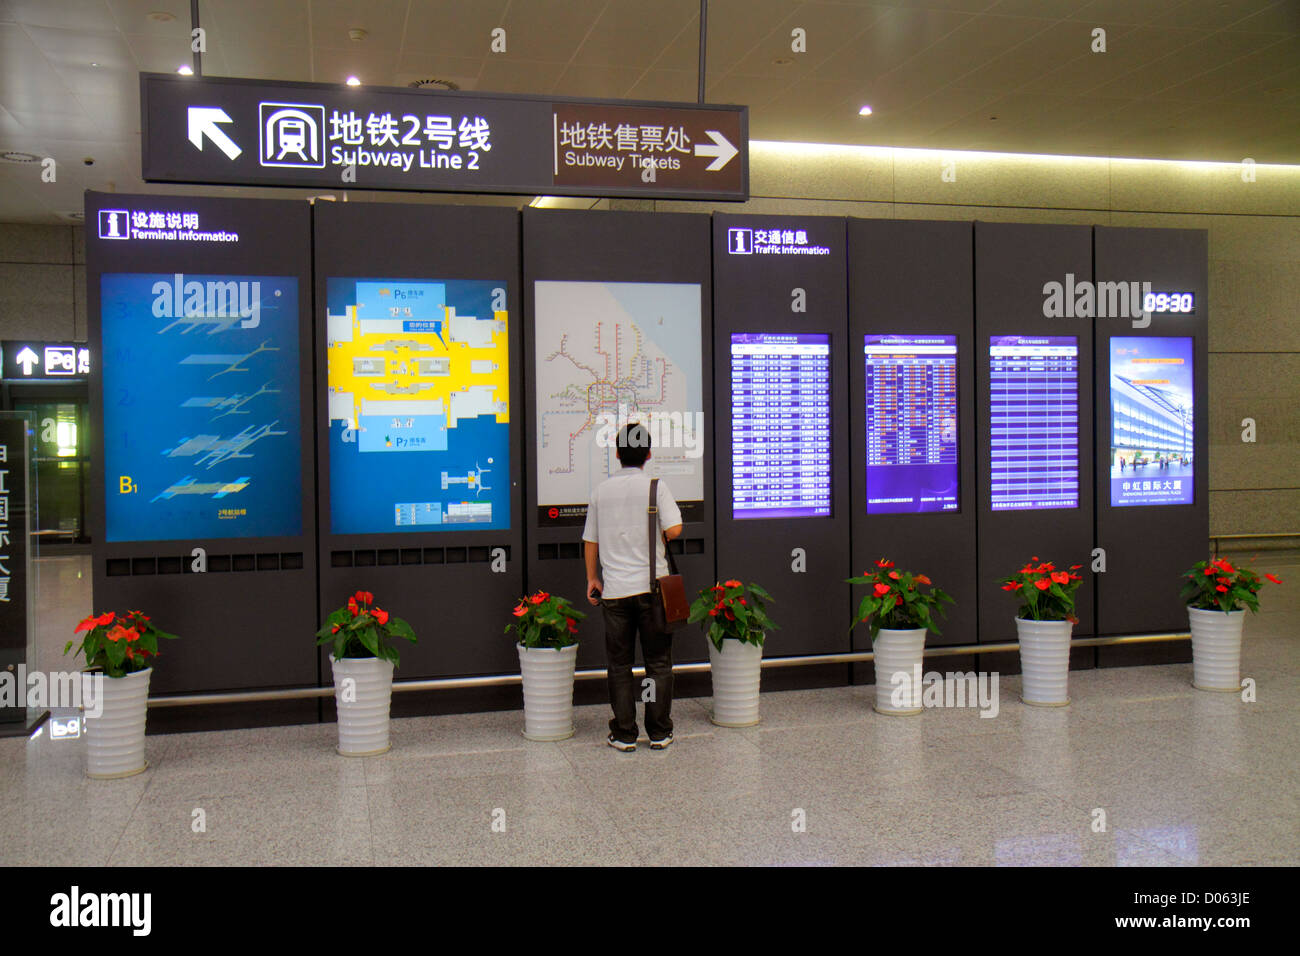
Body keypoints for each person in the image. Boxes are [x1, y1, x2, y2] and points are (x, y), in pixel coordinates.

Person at [582, 422, 683, 753]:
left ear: (617, 454)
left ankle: (625, 733)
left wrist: (592, 579)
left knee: (620, 666)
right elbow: (675, 530)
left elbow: (590, 540)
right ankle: (658, 730)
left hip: (614, 593)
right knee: (656, 663)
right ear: (648, 455)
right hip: (652, 591)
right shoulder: (656, 487)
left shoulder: (600, 492)